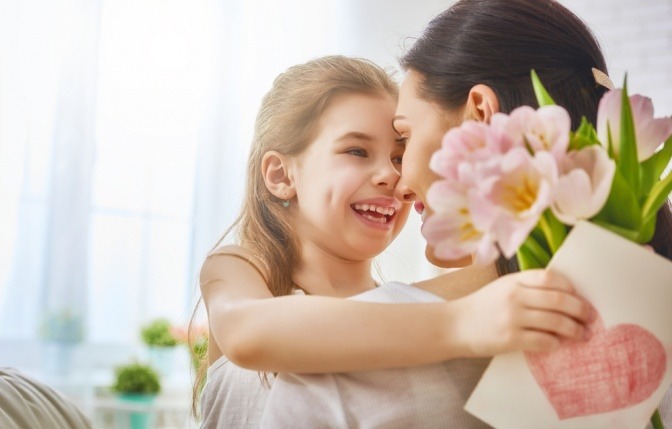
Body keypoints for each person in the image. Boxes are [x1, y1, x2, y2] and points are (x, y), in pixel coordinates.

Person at [260, 0, 672, 427]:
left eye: (405, 137)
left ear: (481, 114)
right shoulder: (658, 315)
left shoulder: (338, 358)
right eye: (357, 152)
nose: (400, 186)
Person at [194, 54, 592, 428]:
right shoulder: (237, 268)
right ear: (281, 175)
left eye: (400, 156)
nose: (395, 178)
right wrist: (464, 321)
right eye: (357, 151)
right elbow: (247, 332)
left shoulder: (402, 310)